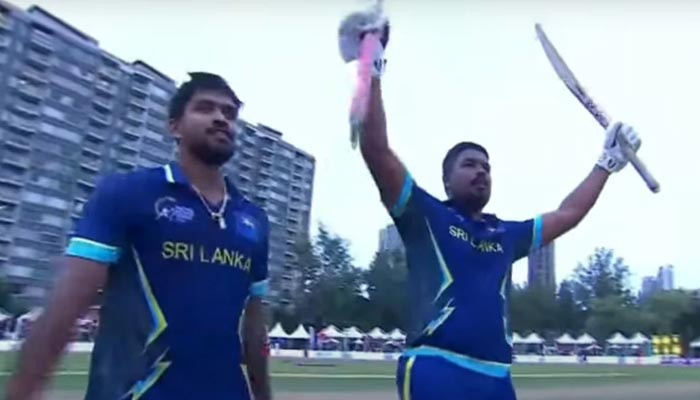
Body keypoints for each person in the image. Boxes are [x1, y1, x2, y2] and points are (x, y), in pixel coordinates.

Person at [338, 10, 642, 400]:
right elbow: (376, 150)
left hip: (497, 378)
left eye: (487, 167)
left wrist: (607, 162)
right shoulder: (425, 216)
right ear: (446, 180)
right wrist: (372, 67)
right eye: (469, 165)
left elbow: (569, 213)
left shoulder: (506, 235)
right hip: (435, 367)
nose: (481, 171)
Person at [5, 72, 272, 400]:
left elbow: (254, 328)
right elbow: (66, 304)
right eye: (205, 108)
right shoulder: (128, 194)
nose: (221, 118)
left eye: (229, 113)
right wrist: (22, 391)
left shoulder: (254, 219)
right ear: (174, 127)